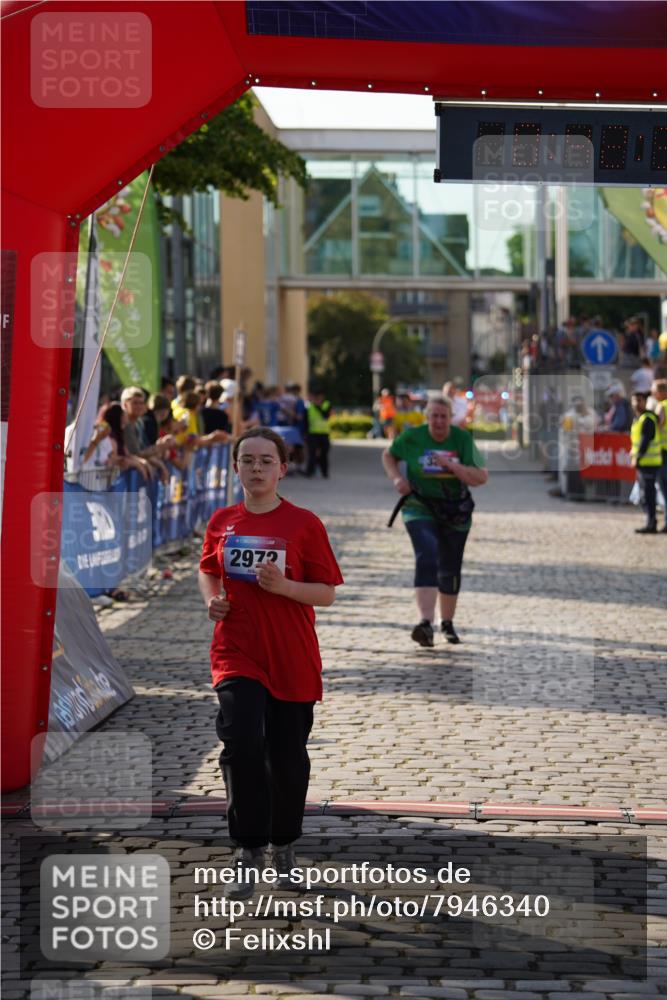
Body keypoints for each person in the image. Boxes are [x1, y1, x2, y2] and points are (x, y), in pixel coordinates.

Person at [198, 427, 343, 899]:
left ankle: (284, 844)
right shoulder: (222, 520)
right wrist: (214, 599)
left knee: (286, 756)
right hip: (236, 650)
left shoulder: (304, 524)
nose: (256, 469)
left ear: (282, 468)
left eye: (265, 461)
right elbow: (208, 570)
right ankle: (247, 847)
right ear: (235, 467)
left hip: (291, 655)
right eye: (247, 460)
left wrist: (285, 588)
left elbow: (326, 593)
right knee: (240, 741)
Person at [382, 397, 488, 647]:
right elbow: (388, 455)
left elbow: (481, 477)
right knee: (427, 553)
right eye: (434, 416)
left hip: (454, 510)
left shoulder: (461, 439)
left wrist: (451, 465)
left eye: (444, 416)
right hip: (419, 506)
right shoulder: (413, 437)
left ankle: (447, 622)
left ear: (450, 418)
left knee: (450, 566)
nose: (439, 421)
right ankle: (425, 623)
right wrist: (397, 478)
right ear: (426, 417)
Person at [630, 391, 661, 534]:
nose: (636, 403)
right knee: (645, 494)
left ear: (645, 401)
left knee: (648, 494)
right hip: (644, 462)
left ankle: (651, 523)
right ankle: (650, 521)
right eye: (634, 400)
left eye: (639, 400)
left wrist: (638, 457)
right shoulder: (639, 418)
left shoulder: (647, 419)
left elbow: (645, 440)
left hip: (649, 462)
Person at [650, 378, 667, 532]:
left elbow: (656, 426)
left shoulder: (661, 406)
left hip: (664, 453)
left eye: (654, 390)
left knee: (665, 489)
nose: (652, 393)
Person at [305, 390, 332, 478]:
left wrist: (317, 406)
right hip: (312, 433)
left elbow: (325, 415)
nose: (318, 399)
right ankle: (310, 472)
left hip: (324, 433)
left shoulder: (327, 404)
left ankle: (324, 472)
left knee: (324, 453)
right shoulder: (309, 406)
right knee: (312, 453)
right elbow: (305, 420)